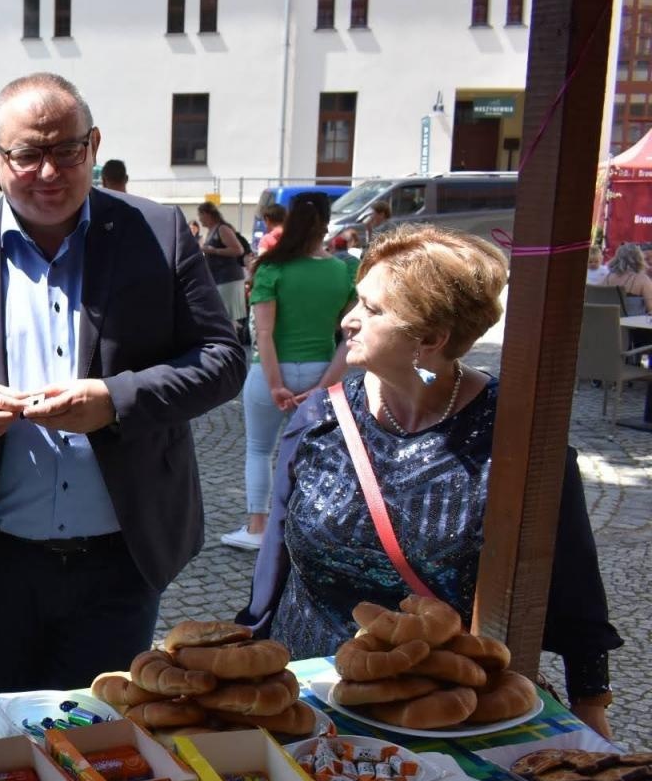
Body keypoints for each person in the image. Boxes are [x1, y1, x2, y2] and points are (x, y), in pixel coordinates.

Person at [0, 72, 245, 697]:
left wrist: (117, 401)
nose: (48, 172)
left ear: (93, 145)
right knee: (9, 727)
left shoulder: (157, 233)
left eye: (67, 150)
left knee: (102, 730)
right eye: (27, 154)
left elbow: (223, 358)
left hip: (120, 555)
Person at [240, 225, 621, 738]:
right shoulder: (320, 419)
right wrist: (250, 660)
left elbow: (574, 578)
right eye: (357, 299)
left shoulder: (515, 439)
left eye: (371, 309)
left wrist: (591, 703)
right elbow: (273, 560)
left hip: (436, 709)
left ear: (431, 338)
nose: (348, 319)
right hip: (310, 695)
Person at [221, 192, 355, 552]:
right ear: (327, 223)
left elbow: (263, 334)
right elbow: (350, 337)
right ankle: (308, 528)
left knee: (259, 449)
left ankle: (257, 527)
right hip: (321, 369)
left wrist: (276, 384)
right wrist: (324, 385)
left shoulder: (271, 268)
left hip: (269, 371)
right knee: (316, 453)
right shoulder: (343, 270)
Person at [197, 202, 248, 327]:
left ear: (207, 214)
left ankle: (233, 336)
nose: (199, 219)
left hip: (228, 279)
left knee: (229, 317)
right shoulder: (211, 231)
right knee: (223, 316)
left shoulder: (222, 229)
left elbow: (238, 250)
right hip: (218, 279)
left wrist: (214, 251)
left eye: (200, 215)